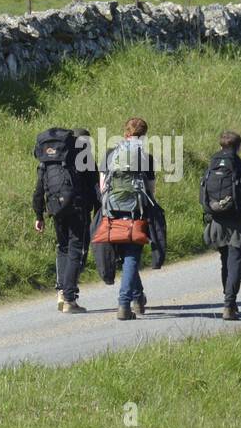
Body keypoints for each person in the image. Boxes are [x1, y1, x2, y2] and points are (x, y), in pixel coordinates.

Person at [33, 127, 98, 313]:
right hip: (78, 208)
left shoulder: (48, 161)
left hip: (55, 207)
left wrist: (39, 215)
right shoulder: (84, 156)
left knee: (63, 247)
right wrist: (98, 213)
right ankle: (69, 298)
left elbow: (38, 190)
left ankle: (61, 292)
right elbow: (96, 186)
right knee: (77, 248)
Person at [99, 118, 156, 321]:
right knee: (132, 256)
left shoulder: (109, 154)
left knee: (126, 257)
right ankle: (124, 303)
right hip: (135, 211)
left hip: (112, 211)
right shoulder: (146, 158)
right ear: (143, 136)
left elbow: (102, 186)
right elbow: (151, 191)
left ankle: (138, 298)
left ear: (125, 134)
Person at [201, 131, 241, 320]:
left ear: (221, 146)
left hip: (217, 221)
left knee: (225, 262)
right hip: (237, 222)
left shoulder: (211, 166)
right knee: (235, 262)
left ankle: (230, 303)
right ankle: (229, 305)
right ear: (239, 147)